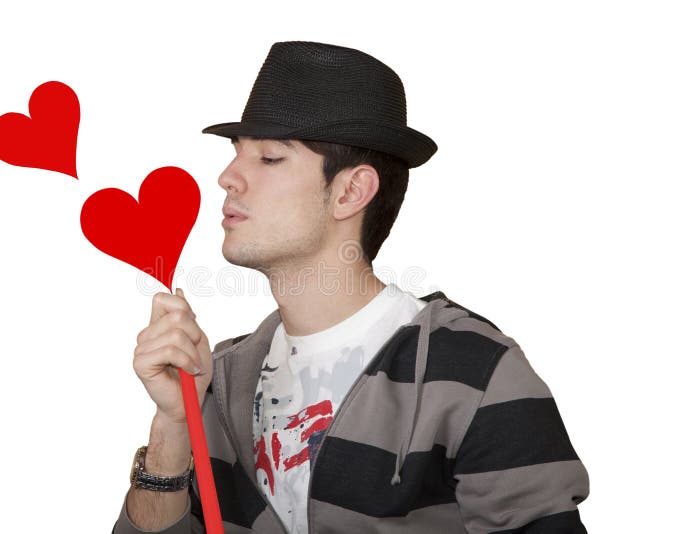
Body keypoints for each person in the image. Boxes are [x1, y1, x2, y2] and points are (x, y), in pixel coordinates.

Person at [113, 41, 590, 533]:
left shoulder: (475, 373)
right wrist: (173, 424)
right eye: (237, 154)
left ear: (350, 191)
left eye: (270, 157)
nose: (227, 177)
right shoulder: (219, 377)